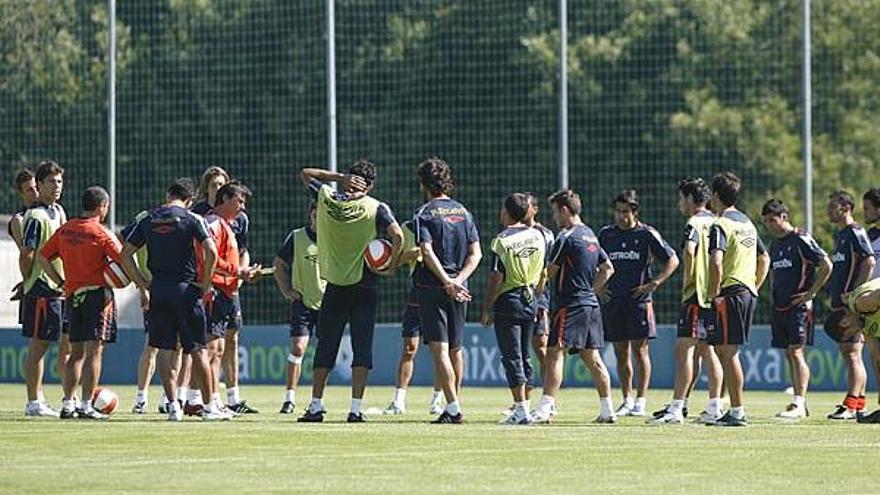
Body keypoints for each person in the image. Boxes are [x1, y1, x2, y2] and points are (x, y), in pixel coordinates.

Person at [297, 160, 404, 423]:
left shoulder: (327, 197)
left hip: (334, 285)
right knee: (362, 347)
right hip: (365, 285)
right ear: (371, 185)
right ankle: (355, 410)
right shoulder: (376, 207)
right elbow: (398, 235)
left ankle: (315, 406)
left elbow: (305, 173)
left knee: (326, 347)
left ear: (350, 180)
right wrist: (390, 267)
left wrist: (340, 177)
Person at [121, 178, 227, 421]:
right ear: (190, 200)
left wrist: (141, 282)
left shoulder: (148, 218)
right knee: (197, 349)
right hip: (186, 290)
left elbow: (125, 253)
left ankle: (174, 408)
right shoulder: (192, 219)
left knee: (164, 350)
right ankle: (210, 407)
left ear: (168, 194)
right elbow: (210, 250)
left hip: (158, 289)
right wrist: (206, 281)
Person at [37, 186, 147, 419]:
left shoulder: (65, 230)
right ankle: (87, 405)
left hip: (73, 296)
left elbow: (43, 257)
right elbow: (124, 260)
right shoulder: (101, 233)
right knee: (94, 352)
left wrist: (60, 281)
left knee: (75, 352)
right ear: (102, 207)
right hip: (98, 297)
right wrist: (141, 284)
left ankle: (68, 404)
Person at [531, 189, 617, 424]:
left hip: (569, 305)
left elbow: (550, 271)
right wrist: (592, 289)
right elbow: (608, 268)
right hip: (590, 305)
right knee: (593, 358)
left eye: (555, 212)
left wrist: (535, 291)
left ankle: (545, 408)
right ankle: (607, 409)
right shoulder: (590, 235)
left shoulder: (566, 237)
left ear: (565, 210)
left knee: (553, 355)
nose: (554, 218)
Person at [598, 190, 678, 417]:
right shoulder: (606, 234)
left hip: (639, 301)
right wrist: (599, 285)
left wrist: (655, 283)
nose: (621, 216)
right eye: (618, 212)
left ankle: (641, 400)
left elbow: (673, 259)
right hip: (613, 301)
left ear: (635, 212)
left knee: (640, 350)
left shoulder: (646, 234)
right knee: (620, 352)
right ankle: (627, 399)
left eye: (625, 212)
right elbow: (595, 261)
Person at [413, 157, 482, 424]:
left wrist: (445, 280)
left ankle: (452, 407)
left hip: (434, 288)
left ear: (423, 184)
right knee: (456, 349)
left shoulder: (424, 213)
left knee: (440, 350)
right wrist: (459, 280)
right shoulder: (464, 212)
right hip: (459, 289)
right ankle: (453, 404)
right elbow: (476, 253)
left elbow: (427, 251)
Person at [652, 178, 725, 425]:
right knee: (708, 350)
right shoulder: (717, 221)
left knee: (683, 350)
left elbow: (689, 250)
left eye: (681, 198)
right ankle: (715, 406)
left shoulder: (693, 222)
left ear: (692, 199)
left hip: (696, 295)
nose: (679, 203)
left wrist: (689, 277)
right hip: (714, 294)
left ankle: (676, 408)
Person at [705, 172, 770, 427]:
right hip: (745, 293)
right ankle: (730, 408)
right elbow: (764, 258)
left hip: (729, 293)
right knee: (724, 350)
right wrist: (754, 286)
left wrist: (713, 291)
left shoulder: (720, 224)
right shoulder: (747, 224)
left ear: (716, 196)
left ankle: (737, 411)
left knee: (728, 352)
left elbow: (716, 260)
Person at [192, 166, 256, 414]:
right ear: (226, 199)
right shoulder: (213, 223)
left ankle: (214, 399)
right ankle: (202, 401)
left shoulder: (228, 224)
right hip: (215, 291)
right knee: (210, 349)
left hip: (227, 292)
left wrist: (243, 272)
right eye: (239, 201)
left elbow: (235, 255)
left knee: (217, 350)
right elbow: (208, 258)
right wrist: (236, 271)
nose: (242, 207)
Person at [761, 199, 832, 419]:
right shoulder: (775, 245)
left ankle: (799, 403)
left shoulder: (800, 238)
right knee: (789, 354)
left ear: (784, 217)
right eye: (765, 222)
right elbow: (773, 271)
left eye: (772, 220)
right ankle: (798, 402)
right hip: (780, 306)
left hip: (799, 308)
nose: (769, 225)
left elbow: (826, 264)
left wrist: (811, 294)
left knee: (796, 351)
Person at [481, 193, 547, 425]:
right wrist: (537, 295)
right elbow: (544, 272)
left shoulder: (501, 241)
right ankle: (525, 407)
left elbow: (497, 276)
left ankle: (520, 410)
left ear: (508, 213)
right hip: (531, 298)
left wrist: (487, 307)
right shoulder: (538, 236)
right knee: (525, 355)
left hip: (509, 300)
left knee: (511, 357)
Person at [20, 160, 68, 417]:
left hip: (57, 288)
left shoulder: (58, 211)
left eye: (60, 181)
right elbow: (27, 254)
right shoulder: (37, 216)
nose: (57, 186)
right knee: (39, 346)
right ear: (39, 185)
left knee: (55, 344)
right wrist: (28, 281)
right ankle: (33, 402)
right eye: (51, 181)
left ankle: (50, 397)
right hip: (42, 287)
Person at [383, 219, 444, 416]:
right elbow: (397, 259)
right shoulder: (409, 227)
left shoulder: (450, 225)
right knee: (409, 348)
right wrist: (417, 252)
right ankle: (399, 401)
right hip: (417, 293)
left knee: (441, 350)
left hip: (440, 292)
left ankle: (438, 400)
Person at [824, 190, 875, 419]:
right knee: (849, 353)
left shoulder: (855, 232)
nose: (828, 210)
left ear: (845, 207)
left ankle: (852, 405)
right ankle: (858, 403)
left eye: (832, 205)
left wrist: (856, 295)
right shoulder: (842, 235)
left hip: (852, 307)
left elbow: (869, 260)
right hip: (841, 304)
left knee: (853, 353)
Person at [274, 203, 325, 414]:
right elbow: (279, 264)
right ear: (310, 215)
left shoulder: (334, 238)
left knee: (324, 352)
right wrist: (286, 290)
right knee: (298, 348)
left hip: (327, 304)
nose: (316, 219)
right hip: (303, 303)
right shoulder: (296, 237)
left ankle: (317, 400)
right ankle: (289, 398)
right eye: (314, 215)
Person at [122, 209, 159, 414]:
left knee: (179, 346)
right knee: (153, 345)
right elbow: (123, 242)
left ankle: (172, 398)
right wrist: (141, 283)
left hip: (175, 287)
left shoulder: (192, 218)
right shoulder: (146, 218)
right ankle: (141, 398)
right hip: (154, 289)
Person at [524, 193, 555, 395]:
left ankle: (547, 400)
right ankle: (522, 400)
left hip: (539, 296)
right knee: (519, 350)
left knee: (541, 346)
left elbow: (552, 266)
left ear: (535, 209)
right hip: (518, 295)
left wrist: (540, 290)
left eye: (526, 206)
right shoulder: (511, 232)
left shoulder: (546, 234)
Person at [8, 170, 39, 328]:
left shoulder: (54, 211)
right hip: (36, 285)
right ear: (21, 193)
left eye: (36, 187)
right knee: (36, 340)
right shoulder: (19, 220)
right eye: (29, 189)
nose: (35, 193)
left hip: (57, 282)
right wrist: (27, 282)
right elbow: (27, 254)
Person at [861, 188, 880, 414]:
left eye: (867, 209)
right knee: (875, 355)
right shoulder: (869, 236)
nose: (864, 213)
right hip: (871, 305)